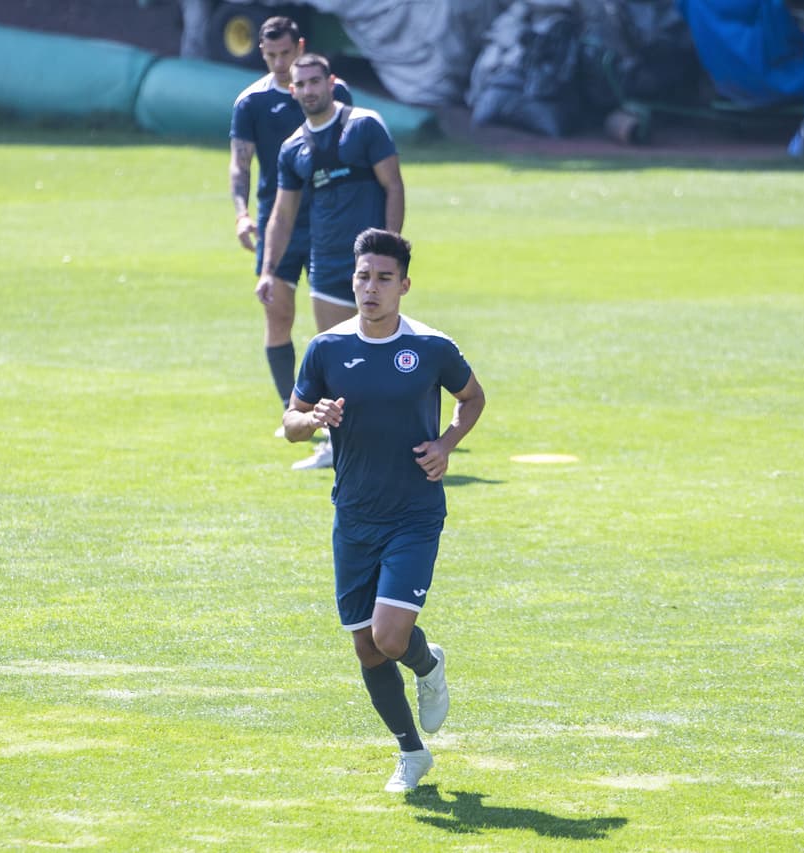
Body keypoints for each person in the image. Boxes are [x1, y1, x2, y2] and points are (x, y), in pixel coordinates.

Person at [282, 228, 486, 792]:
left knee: (391, 639)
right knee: (366, 647)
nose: (370, 288)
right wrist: (312, 418)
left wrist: (446, 444)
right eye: (363, 277)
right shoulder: (327, 348)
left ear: (404, 286)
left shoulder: (431, 348)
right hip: (353, 517)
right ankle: (412, 754)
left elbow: (472, 398)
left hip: (414, 514)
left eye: (383, 279)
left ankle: (428, 664)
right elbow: (290, 424)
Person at [261, 53, 406, 470]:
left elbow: (394, 186)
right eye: (301, 84)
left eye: (315, 81)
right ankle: (336, 446)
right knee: (338, 359)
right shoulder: (293, 148)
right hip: (325, 263)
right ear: (292, 90)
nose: (309, 90)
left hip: (372, 266)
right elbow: (283, 214)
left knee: (381, 350)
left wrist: (391, 251)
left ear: (330, 82)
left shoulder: (365, 126)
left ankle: (396, 439)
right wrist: (269, 270)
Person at [230, 19, 352, 448]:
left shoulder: (333, 93)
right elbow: (240, 164)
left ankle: (343, 415)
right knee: (278, 314)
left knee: (335, 324)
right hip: (278, 221)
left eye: (286, 53)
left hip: (327, 222)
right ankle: (293, 411)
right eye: (271, 56)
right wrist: (242, 214)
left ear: (300, 47)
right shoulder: (251, 102)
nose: (280, 63)